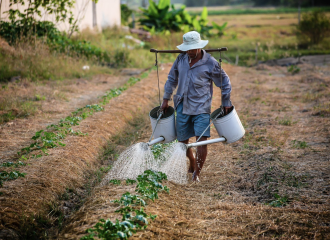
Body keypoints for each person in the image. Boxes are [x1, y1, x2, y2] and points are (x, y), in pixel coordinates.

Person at [160, 31, 233, 182]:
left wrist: (226, 102)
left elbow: (225, 82)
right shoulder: (181, 59)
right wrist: (165, 99)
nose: (190, 52)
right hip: (182, 106)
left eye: (193, 49)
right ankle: (192, 161)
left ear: (199, 47)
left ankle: (196, 174)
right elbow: (171, 79)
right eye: (188, 49)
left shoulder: (210, 63)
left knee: (202, 140)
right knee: (182, 142)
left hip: (201, 107)